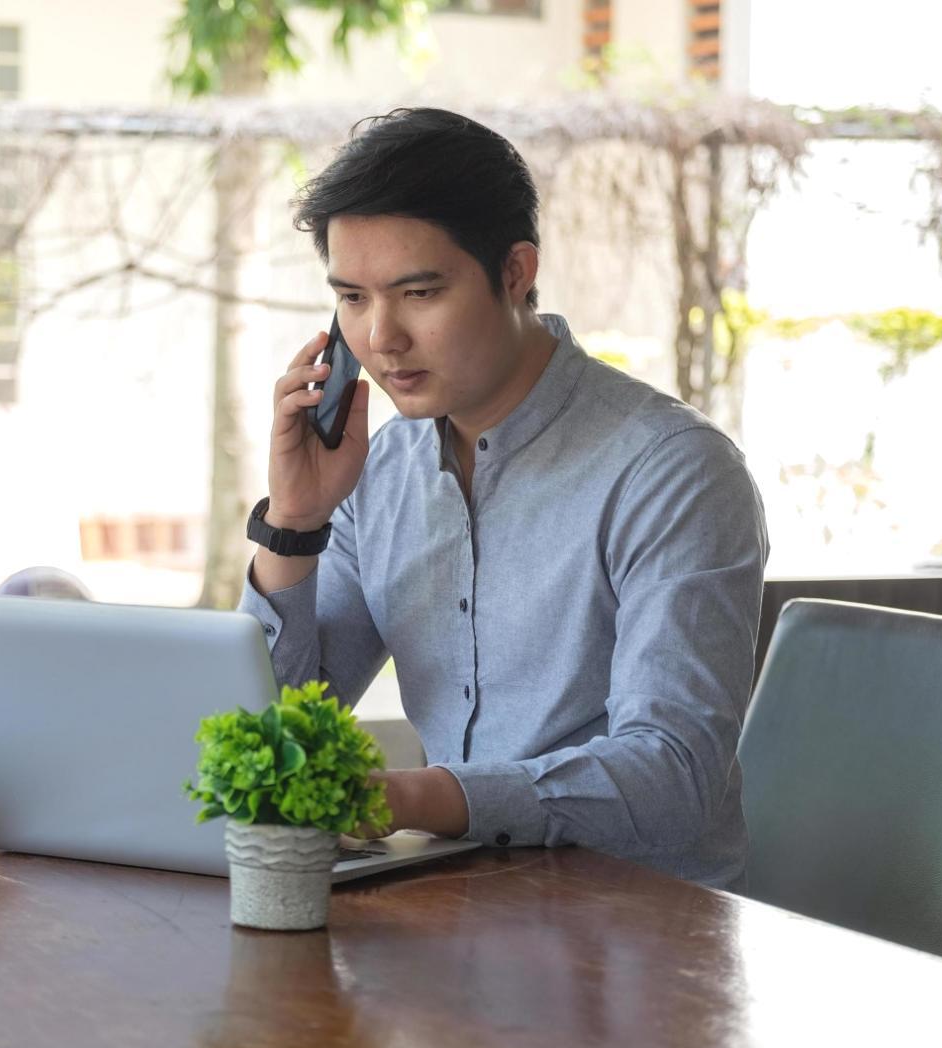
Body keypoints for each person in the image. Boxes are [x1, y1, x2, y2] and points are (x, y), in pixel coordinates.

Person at [238, 108, 768, 890]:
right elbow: (276, 733)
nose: (380, 338)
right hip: (462, 911)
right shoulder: (378, 471)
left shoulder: (672, 471)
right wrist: (294, 523)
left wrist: (413, 797)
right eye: (352, 298)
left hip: (647, 939)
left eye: (418, 292)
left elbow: (672, 775)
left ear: (515, 272)